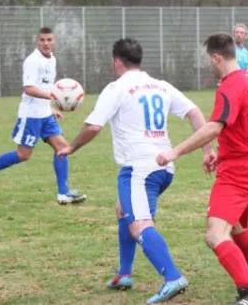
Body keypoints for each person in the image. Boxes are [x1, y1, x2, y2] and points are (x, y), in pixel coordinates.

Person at [56, 38, 212, 303]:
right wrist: (207, 150)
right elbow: (194, 113)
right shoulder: (161, 86)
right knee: (122, 210)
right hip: (164, 168)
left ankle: (172, 277)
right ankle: (124, 274)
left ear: (117, 61)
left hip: (139, 169)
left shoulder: (117, 88)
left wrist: (71, 148)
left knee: (139, 224)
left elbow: (93, 126)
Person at [156, 32, 248, 305]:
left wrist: (175, 151)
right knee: (238, 225)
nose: (209, 64)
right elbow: (246, 125)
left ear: (216, 57)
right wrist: (222, 154)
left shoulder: (230, 85)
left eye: (209, 59)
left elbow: (214, 126)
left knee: (215, 234)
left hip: (239, 172)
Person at [0, 27, 86, 205]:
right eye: (42, 40)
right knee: (23, 155)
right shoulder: (32, 61)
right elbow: (29, 88)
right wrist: (53, 97)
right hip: (31, 115)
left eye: (49, 40)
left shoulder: (52, 59)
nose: (46, 43)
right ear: (37, 41)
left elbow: (45, 86)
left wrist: (50, 107)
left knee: (62, 149)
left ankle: (63, 193)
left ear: (54, 41)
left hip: (45, 113)